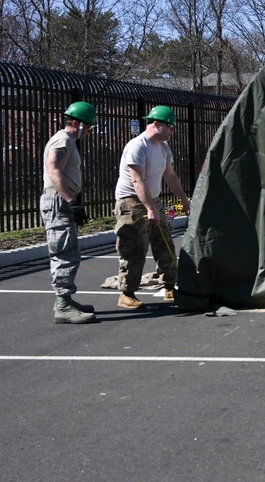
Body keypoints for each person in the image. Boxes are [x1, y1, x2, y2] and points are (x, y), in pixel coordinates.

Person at [112, 105, 190, 309]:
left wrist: (183, 198)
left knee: (164, 242)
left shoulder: (163, 147)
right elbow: (137, 181)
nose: (172, 131)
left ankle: (170, 286)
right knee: (135, 247)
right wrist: (149, 209)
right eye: (170, 127)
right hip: (131, 201)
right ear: (156, 124)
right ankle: (126, 293)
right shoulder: (138, 146)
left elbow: (170, 175)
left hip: (152, 200)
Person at [42, 101, 99, 324]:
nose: (90, 131)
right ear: (76, 123)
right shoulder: (63, 139)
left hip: (61, 200)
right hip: (58, 201)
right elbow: (54, 171)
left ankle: (65, 300)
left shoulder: (69, 141)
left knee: (70, 251)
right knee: (64, 251)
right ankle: (63, 304)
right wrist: (70, 200)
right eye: (88, 126)